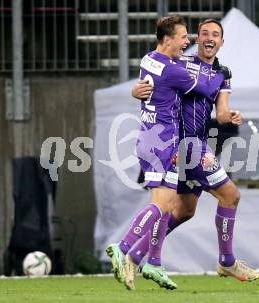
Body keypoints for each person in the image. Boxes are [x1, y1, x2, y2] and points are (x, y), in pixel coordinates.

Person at [129, 19, 259, 287]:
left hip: (196, 142)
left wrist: (229, 115)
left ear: (222, 42)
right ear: (197, 40)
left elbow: (221, 111)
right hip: (184, 143)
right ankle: (227, 261)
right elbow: (153, 84)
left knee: (184, 210)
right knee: (230, 195)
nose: (209, 38)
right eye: (204, 34)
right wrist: (136, 90)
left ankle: (137, 253)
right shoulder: (180, 62)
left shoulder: (224, 72)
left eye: (216, 34)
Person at [106, 15, 228, 290]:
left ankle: (153, 262)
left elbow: (149, 85)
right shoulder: (174, 70)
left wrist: (136, 91)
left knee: (169, 206)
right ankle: (123, 247)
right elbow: (207, 88)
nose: (188, 42)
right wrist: (223, 75)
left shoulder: (149, 58)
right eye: (183, 37)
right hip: (163, 140)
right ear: (167, 39)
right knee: (162, 204)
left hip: (151, 137)